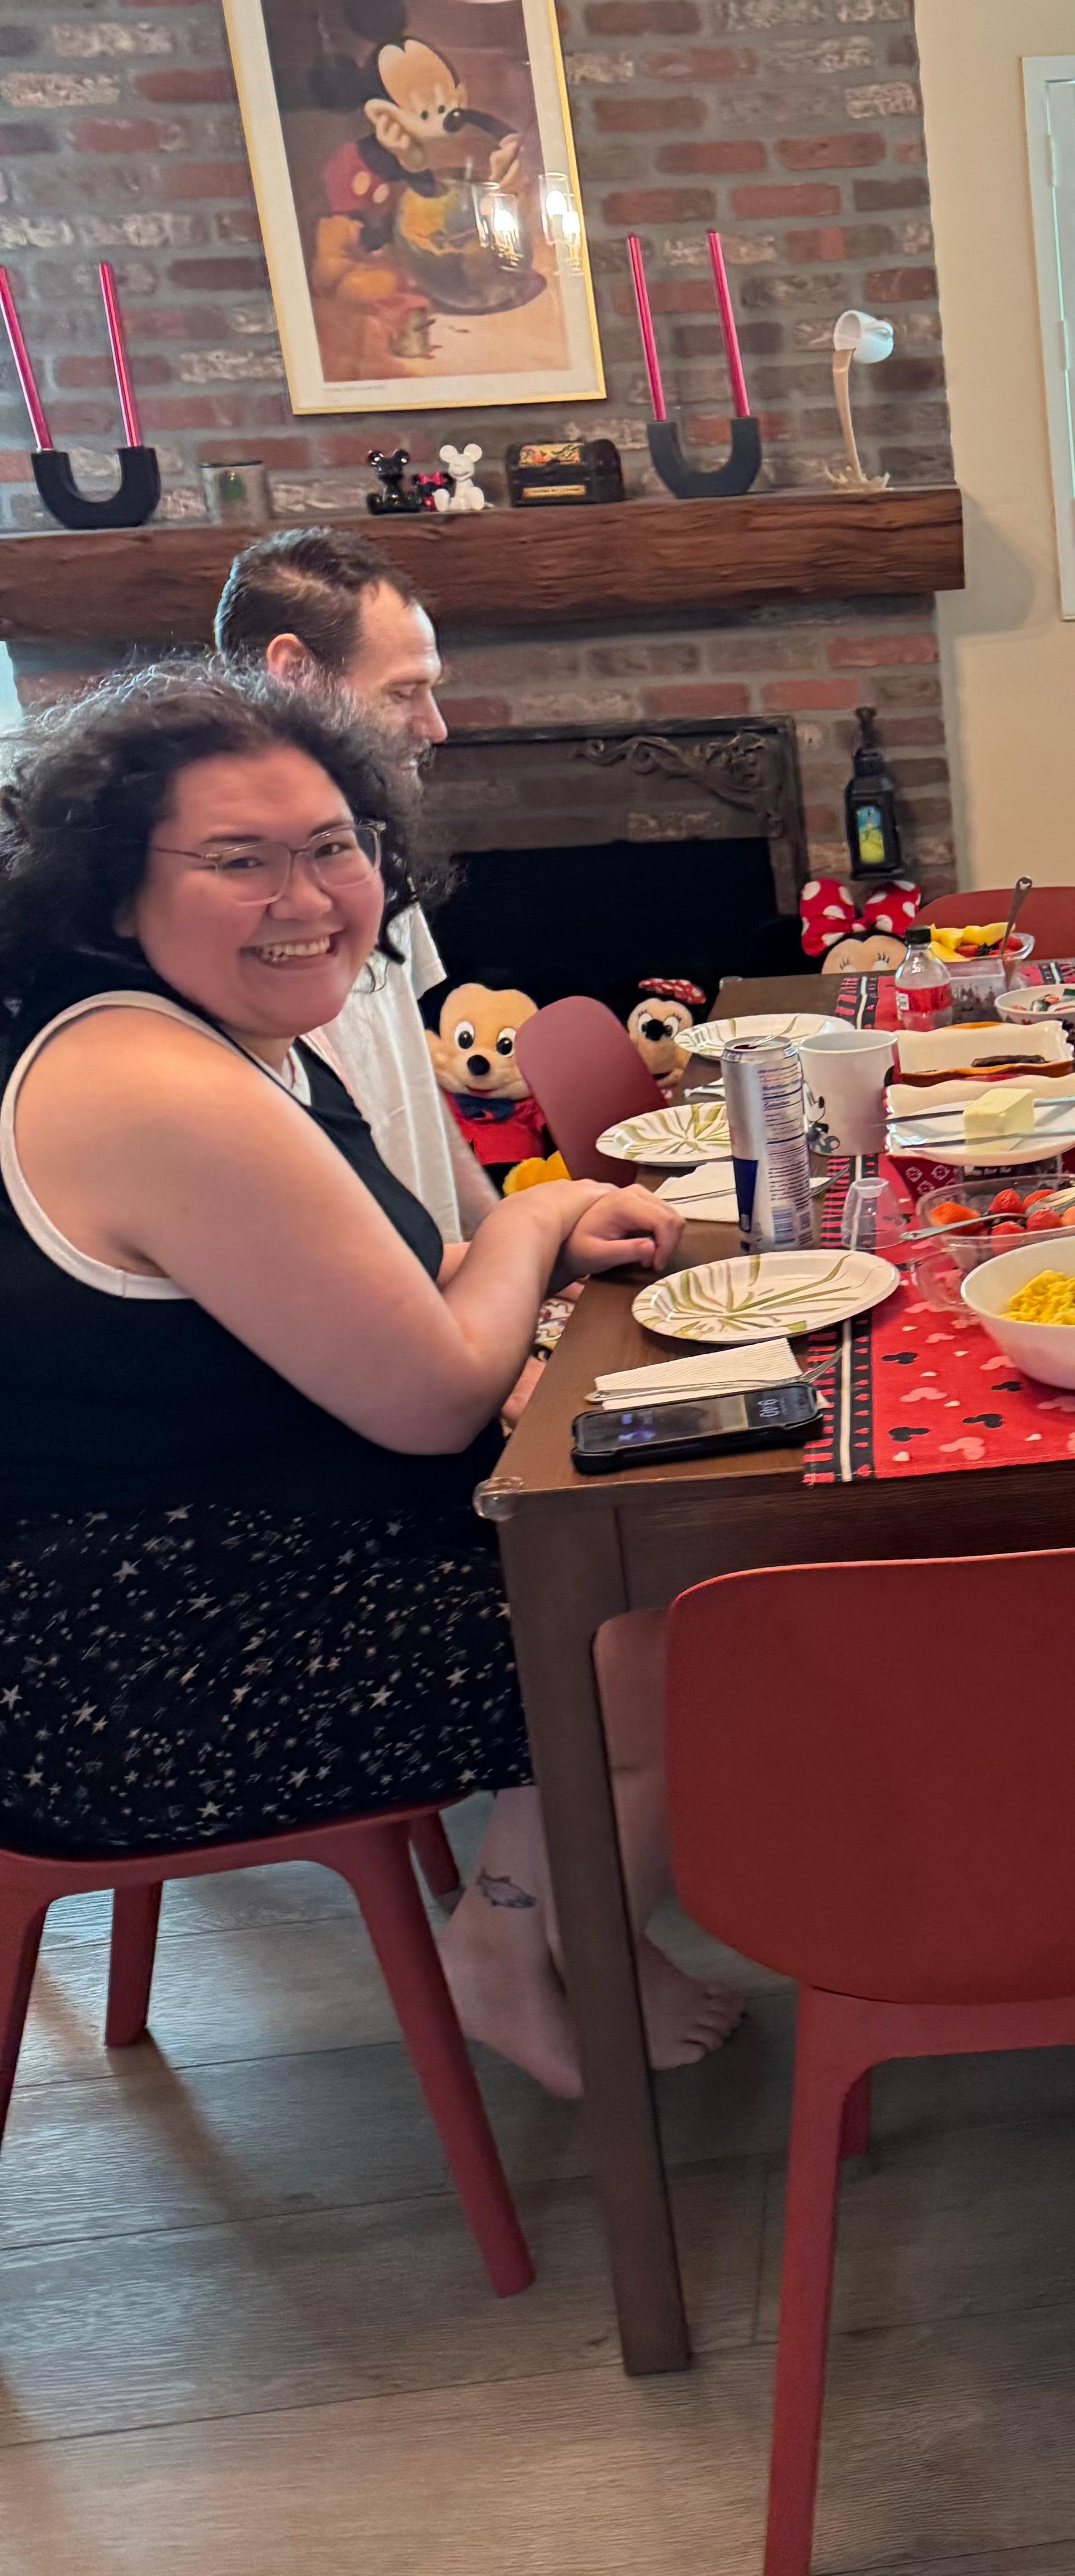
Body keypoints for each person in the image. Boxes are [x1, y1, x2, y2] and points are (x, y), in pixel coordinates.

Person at [0, 662, 734, 2099]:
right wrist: (532, 1219)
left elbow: (393, 1313)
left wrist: (514, 1277)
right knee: (656, 1611)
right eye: (239, 859)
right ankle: (513, 1944)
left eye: (334, 843)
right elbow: (426, 1396)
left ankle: (584, 1925)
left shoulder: (220, 1028)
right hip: (145, 1658)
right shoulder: (153, 1078)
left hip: (239, 1545)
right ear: (107, 885)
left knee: (638, 1512)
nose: (310, 894)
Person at [215, 527, 493, 1244]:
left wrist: (499, 1234)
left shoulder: (372, 842)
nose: (434, 727)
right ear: (294, 672)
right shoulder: (217, 905)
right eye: (402, 693)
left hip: (449, 1298)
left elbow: (407, 1079)